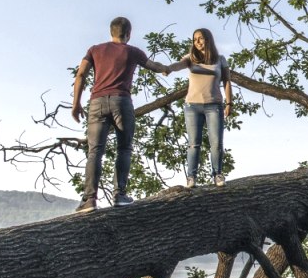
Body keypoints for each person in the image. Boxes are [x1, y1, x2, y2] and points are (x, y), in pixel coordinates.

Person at [70, 16, 176, 212]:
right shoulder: (133, 52)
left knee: (95, 152)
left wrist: (76, 103)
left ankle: (89, 199)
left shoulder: (94, 50)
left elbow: (81, 74)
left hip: (97, 102)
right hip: (122, 101)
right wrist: (166, 69)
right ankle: (119, 195)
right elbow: (153, 66)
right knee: (124, 149)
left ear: (111, 32)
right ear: (129, 34)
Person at [167, 28, 234, 186]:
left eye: (201, 38)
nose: (197, 42)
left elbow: (227, 82)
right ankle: (191, 177)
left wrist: (229, 103)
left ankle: (217, 174)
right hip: (192, 107)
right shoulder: (191, 58)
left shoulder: (220, 59)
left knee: (216, 143)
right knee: (193, 143)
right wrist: (168, 68)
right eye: (195, 39)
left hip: (214, 105)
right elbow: (179, 65)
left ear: (208, 40)